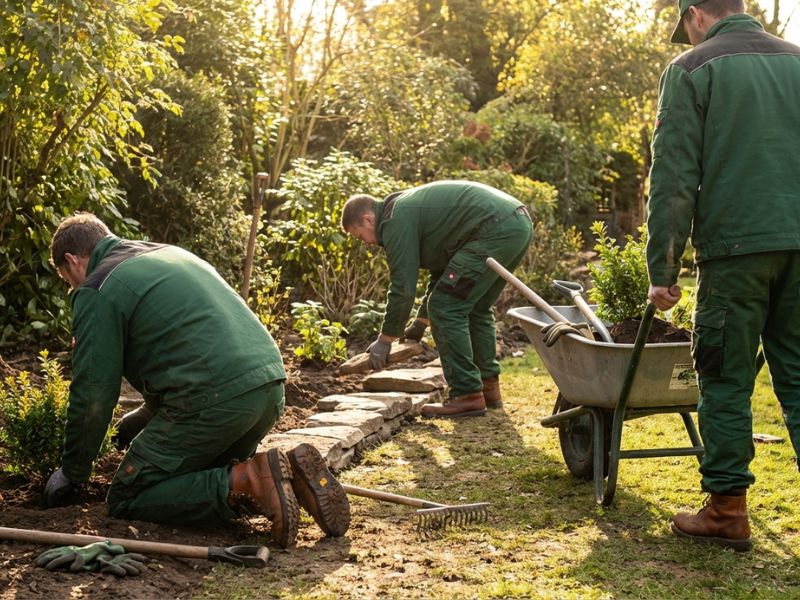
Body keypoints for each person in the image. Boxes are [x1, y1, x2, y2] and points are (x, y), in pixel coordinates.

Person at [44, 213, 351, 547]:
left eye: (68, 280)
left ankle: (251, 481)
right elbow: (187, 347)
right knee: (196, 476)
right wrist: (142, 419)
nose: (73, 287)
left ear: (72, 260)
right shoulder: (167, 253)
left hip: (215, 402)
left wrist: (72, 471)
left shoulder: (98, 287)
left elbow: (93, 393)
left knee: (127, 495)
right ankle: (287, 473)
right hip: (268, 387)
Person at [646, 0, 800, 552]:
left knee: (724, 375)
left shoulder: (691, 68)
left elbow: (674, 174)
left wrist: (663, 268)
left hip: (736, 251)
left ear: (695, 14)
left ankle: (727, 511)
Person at [342, 180, 533, 418]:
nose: (367, 244)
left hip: (493, 229)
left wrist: (385, 339)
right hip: (516, 224)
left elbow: (403, 287)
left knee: (446, 307)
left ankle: (466, 395)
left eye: (361, 236)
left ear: (368, 219)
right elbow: (442, 274)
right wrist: (420, 323)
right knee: (475, 307)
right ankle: (488, 389)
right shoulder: (404, 211)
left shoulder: (394, 222)